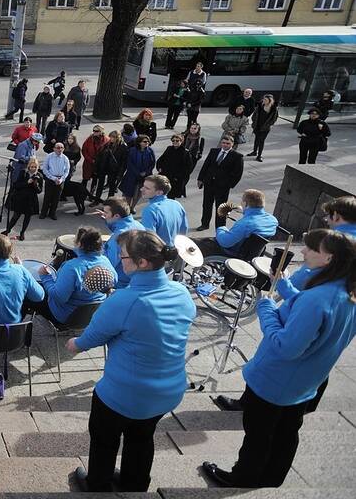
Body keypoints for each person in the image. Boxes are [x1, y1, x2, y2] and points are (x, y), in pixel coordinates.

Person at [201, 229, 356, 489]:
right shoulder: (346, 293)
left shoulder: (317, 299)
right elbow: (312, 313)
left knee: (258, 435)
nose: (304, 252)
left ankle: (242, 477)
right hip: (305, 382)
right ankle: (272, 478)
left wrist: (266, 309)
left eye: (311, 249)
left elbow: (285, 346)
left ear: (328, 259)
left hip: (277, 382)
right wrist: (287, 288)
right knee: (286, 433)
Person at [68, 230, 195, 492]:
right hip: (168, 392)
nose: (119, 260)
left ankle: (98, 483)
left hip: (124, 394)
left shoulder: (125, 301)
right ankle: (135, 484)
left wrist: (74, 344)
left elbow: (89, 339)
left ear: (142, 263)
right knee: (142, 436)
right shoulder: (182, 293)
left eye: (123, 255)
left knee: (104, 439)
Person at [24, 226, 110, 324]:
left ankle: (14, 328)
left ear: (80, 245)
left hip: (67, 317)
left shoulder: (72, 267)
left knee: (28, 291)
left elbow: (59, 297)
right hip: (93, 315)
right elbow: (112, 283)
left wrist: (45, 277)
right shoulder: (105, 261)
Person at [196, 189, 278, 259]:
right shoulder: (273, 220)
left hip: (232, 253)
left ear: (246, 204)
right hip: (252, 253)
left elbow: (225, 242)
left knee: (196, 243)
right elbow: (256, 219)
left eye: (242, 201)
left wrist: (221, 228)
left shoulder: (245, 224)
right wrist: (245, 211)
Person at [197, 134, 244, 231]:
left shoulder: (237, 156)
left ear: (232, 144)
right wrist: (200, 179)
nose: (225, 145)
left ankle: (220, 228)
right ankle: (205, 224)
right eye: (223, 143)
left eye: (228, 143)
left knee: (221, 208)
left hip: (222, 187)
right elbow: (206, 165)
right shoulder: (214, 151)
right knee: (206, 205)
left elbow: (238, 173)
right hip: (209, 183)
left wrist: (229, 185)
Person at [97, 198, 146, 290]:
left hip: (118, 282)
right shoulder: (139, 225)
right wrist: (108, 220)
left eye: (106, 213)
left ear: (116, 216)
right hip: (132, 278)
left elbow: (108, 265)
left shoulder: (118, 236)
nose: (104, 215)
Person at [138, 175, 188, 246]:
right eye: (143, 186)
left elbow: (149, 239)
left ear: (159, 192)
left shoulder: (150, 210)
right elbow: (183, 230)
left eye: (147, 188)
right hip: (176, 249)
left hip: (159, 253)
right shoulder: (177, 204)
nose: (141, 189)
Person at [3, 156, 43, 240]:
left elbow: (39, 191)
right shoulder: (23, 173)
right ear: (29, 166)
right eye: (32, 167)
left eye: (35, 167)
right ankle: (7, 230)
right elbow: (16, 185)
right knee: (16, 216)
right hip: (21, 198)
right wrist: (27, 182)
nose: (33, 169)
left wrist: (36, 185)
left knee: (27, 217)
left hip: (31, 200)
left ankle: (22, 232)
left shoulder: (39, 176)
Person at [120, 136, 155, 211]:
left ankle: (132, 207)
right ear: (139, 142)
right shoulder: (132, 151)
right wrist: (138, 173)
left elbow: (152, 163)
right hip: (132, 175)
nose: (147, 143)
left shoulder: (150, 151)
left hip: (144, 176)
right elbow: (129, 163)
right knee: (128, 193)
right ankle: (127, 208)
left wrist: (146, 172)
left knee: (139, 193)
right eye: (145, 142)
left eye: (148, 141)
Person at [91, 130, 126, 202]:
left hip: (114, 169)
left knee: (112, 187)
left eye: (113, 137)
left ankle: (109, 202)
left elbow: (123, 162)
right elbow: (100, 156)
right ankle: (97, 200)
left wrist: (120, 173)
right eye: (110, 137)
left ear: (118, 137)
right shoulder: (107, 144)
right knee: (100, 185)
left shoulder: (123, 146)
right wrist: (97, 167)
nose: (111, 139)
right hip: (104, 167)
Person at [40, 142, 71, 220]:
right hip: (50, 179)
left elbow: (67, 171)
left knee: (56, 198)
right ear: (54, 148)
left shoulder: (65, 158)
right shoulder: (49, 156)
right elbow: (45, 169)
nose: (59, 149)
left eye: (61, 148)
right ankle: (43, 213)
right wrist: (53, 178)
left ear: (63, 149)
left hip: (60, 180)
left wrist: (61, 179)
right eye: (57, 147)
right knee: (47, 197)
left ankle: (52, 213)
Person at [156, 134, 193, 199]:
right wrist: (159, 168)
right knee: (162, 194)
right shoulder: (169, 149)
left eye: (177, 140)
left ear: (181, 141)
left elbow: (188, 167)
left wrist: (180, 177)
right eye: (173, 141)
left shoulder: (185, 152)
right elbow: (161, 159)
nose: (175, 142)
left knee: (171, 196)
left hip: (176, 179)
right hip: (166, 176)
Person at [248, 94, 278, 162]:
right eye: (263, 99)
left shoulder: (273, 108)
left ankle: (259, 155)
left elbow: (274, 119)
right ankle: (254, 152)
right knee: (256, 139)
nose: (263, 100)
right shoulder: (260, 106)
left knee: (261, 141)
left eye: (265, 100)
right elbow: (254, 115)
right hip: (257, 126)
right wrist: (254, 121)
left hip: (265, 128)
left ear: (269, 101)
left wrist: (268, 125)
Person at [81, 125, 107, 191]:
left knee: (95, 180)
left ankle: (91, 193)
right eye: (93, 130)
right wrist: (90, 160)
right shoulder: (89, 139)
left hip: (98, 165)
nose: (94, 132)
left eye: (96, 131)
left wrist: (99, 162)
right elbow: (84, 150)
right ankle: (82, 192)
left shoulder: (106, 140)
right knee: (85, 179)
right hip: (88, 163)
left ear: (101, 131)